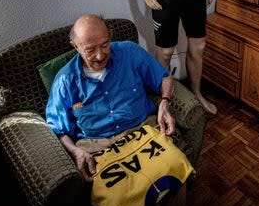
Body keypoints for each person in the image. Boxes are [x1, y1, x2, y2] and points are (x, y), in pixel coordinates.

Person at [45, 14, 175, 181]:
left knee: (171, 171)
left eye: (105, 45)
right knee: (117, 197)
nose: (100, 56)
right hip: (97, 145)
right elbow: (58, 129)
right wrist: (76, 151)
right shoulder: (65, 80)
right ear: (75, 46)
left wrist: (164, 104)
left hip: (142, 129)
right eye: (90, 50)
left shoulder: (130, 52)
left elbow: (165, 78)